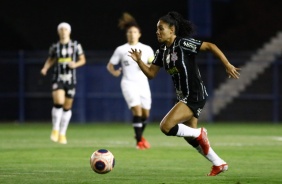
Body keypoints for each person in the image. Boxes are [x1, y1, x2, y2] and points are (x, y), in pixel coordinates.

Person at [129, 11, 240, 176]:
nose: (157, 32)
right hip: (185, 96)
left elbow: (210, 46)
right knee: (191, 137)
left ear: (172, 30)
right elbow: (151, 74)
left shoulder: (183, 43)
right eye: (157, 29)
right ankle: (219, 163)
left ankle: (200, 134)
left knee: (166, 126)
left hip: (194, 94)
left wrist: (227, 64)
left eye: (161, 28)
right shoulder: (161, 52)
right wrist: (139, 61)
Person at [106, 12, 155, 150]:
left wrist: (147, 65)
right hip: (128, 83)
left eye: (134, 32)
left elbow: (152, 64)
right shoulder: (121, 50)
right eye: (129, 32)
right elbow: (110, 65)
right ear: (126, 34)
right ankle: (139, 142)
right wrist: (114, 71)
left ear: (139, 34)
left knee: (146, 114)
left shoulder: (147, 49)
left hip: (143, 84)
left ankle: (139, 135)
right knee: (137, 112)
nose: (132, 34)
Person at [41, 22, 86, 144]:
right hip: (58, 77)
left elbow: (83, 60)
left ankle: (62, 133)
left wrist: (75, 64)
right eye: (61, 29)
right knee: (58, 102)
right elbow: (51, 59)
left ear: (69, 31)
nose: (63, 31)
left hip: (71, 79)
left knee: (67, 107)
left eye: (65, 29)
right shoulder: (55, 46)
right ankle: (55, 129)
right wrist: (45, 68)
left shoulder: (75, 45)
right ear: (58, 31)